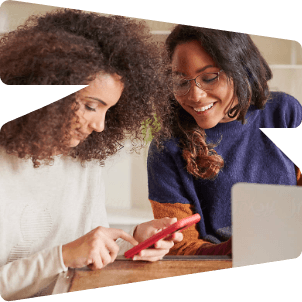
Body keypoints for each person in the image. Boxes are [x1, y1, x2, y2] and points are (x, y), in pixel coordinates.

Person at [0, 9, 183, 301]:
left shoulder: (83, 160)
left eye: (108, 110)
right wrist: (62, 256)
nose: (99, 126)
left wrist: (133, 241)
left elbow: (86, 249)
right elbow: (69, 254)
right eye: (90, 105)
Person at [147, 24, 302, 256]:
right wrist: (231, 250)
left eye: (209, 78)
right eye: (181, 81)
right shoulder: (166, 148)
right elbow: (181, 247)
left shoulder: (284, 113)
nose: (195, 95)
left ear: (240, 68)